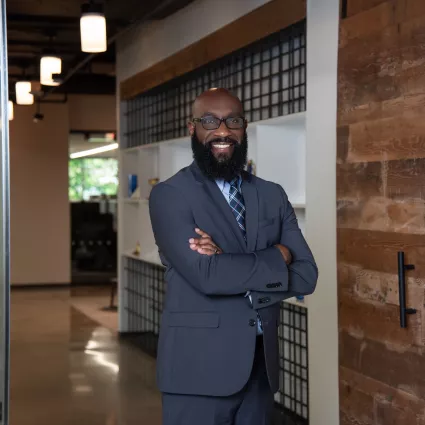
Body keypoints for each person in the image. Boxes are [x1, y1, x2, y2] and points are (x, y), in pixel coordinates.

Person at [149, 88, 318, 425]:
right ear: (192, 128)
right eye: (210, 121)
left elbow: (307, 275)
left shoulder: (271, 194)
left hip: (260, 370)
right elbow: (206, 276)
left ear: (244, 127)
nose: (223, 131)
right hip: (197, 371)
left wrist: (228, 261)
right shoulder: (170, 195)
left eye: (233, 121)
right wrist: (277, 255)